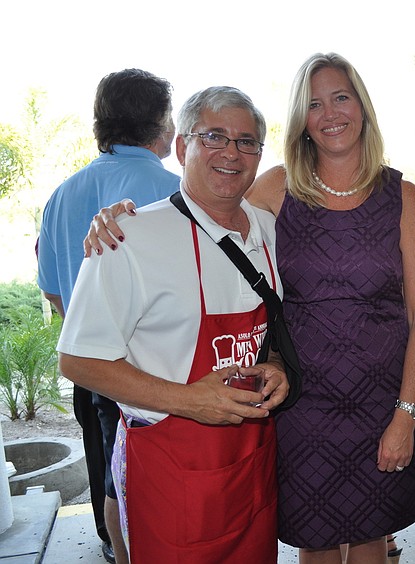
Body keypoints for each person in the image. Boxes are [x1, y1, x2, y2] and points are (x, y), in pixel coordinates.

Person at [85, 53, 415, 564]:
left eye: (342, 97)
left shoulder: (404, 196)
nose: (330, 112)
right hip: (301, 403)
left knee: (371, 537)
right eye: (314, 103)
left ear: (362, 106)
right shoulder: (277, 186)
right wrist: (123, 216)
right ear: (302, 119)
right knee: (314, 537)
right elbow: (208, 199)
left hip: (383, 402)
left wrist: (406, 414)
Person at [56, 86, 290, 563]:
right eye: (214, 136)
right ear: (181, 146)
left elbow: (277, 326)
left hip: (253, 465)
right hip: (173, 473)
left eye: (247, 141)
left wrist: (278, 364)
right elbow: (77, 358)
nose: (231, 152)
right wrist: (189, 400)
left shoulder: (269, 229)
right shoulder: (130, 237)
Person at [36, 68, 179, 564]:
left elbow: (55, 293)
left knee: (103, 458)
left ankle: (112, 544)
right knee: (154, 479)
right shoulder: (177, 192)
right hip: (159, 371)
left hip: (86, 364)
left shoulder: (62, 195)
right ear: (162, 123)